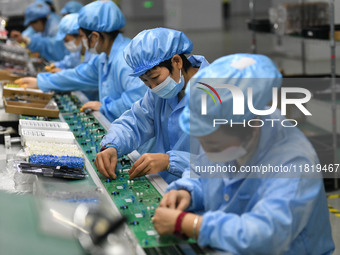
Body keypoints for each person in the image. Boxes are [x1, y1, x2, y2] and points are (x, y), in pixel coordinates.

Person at [152, 54, 335, 254]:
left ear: (253, 124)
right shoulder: (228, 130)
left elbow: (265, 234)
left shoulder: (294, 162)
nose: (206, 148)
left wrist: (190, 224)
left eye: (212, 142)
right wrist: (186, 192)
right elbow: (205, 175)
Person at [95, 28, 209, 184]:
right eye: (145, 81)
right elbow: (135, 121)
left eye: (155, 78)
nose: (153, 87)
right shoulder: (160, 91)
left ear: (177, 61)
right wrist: (112, 145)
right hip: (167, 187)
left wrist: (171, 161)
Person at [15, 0, 147, 122]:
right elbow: (79, 75)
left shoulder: (126, 58)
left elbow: (138, 100)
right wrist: (40, 81)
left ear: (94, 36)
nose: (83, 42)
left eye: (83, 36)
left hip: (141, 145)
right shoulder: (104, 57)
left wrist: (106, 108)